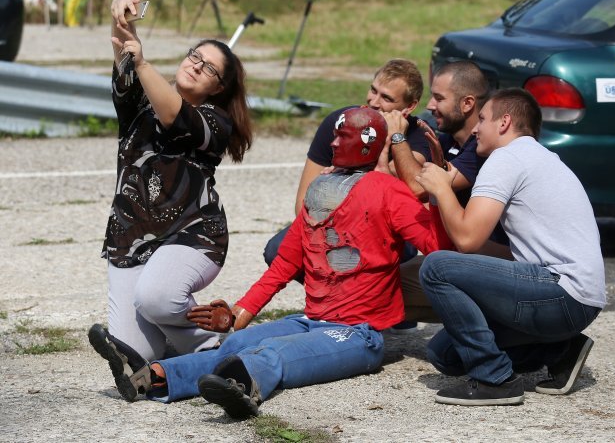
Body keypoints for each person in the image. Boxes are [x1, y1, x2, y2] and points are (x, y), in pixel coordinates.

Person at [88, 107, 452, 419]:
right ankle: (151, 377)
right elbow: (281, 269)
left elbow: (434, 247)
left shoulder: (389, 192)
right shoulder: (319, 192)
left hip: (359, 333)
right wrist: (236, 316)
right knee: (235, 344)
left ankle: (242, 388)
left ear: (366, 141)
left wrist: (437, 195)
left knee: (273, 353)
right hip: (310, 321)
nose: (333, 142)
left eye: (342, 136)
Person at [415, 88, 606, 406]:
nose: (475, 129)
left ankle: (494, 379)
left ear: (504, 122)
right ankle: (560, 350)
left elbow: (467, 239)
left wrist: (441, 188)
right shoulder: (539, 157)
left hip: (562, 292)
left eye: (483, 119)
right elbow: (499, 253)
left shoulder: (507, 157)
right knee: (446, 355)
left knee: (435, 267)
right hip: (578, 299)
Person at [96, 0, 253, 362]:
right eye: (195, 56)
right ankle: (204, 347)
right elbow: (124, 55)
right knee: (135, 355)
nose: (197, 66)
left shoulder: (215, 122)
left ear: (218, 88)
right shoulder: (139, 102)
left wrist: (143, 61)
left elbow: (174, 115)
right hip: (130, 237)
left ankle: (217, 343)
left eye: (210, 69)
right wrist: (122, 17)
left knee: (156, 299)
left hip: (192, 235)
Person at [262, 58, 430, 266]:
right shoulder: (339, 121)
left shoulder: (417, 136)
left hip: (387, 231)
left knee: (358, 257)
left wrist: (393, 136)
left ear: (410, 106)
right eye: (373, 90)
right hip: (335, 223)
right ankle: (328, 295)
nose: (374, 102)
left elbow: (412, 186)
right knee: (277, 250)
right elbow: (302, 204)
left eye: (386, 97)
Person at [383, 60, 495, 323]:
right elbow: (407, 174)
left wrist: (397, 137)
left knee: (378, 288)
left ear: (467, 104)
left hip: (487, 264)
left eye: (438, 98)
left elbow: (415, 188)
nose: (430, 106)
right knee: (378, 281)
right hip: (455, 255)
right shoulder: (446, 138)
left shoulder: (480, 150)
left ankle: (501, 328)